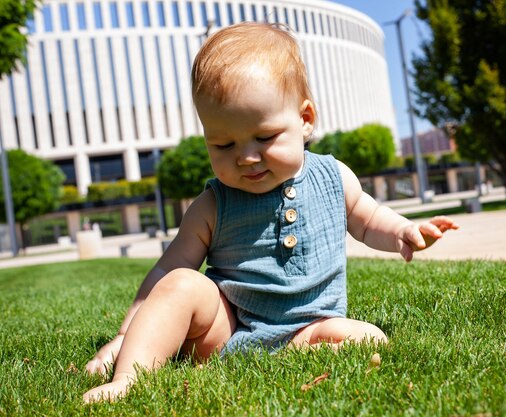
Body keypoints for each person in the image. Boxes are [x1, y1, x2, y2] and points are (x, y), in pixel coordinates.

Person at [82, 22, 458, 403]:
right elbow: (165, 272)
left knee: (369, 337)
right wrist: (123, 335)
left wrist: (402, 232)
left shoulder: (333, 177)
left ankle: (294, 352)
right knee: (181, 283)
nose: (246, 157)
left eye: (264, 137)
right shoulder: (213, 204)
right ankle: (128, 376)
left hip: (311, 326)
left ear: (305, 119)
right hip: (225, 332)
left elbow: (368, 218)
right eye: (223, 144)